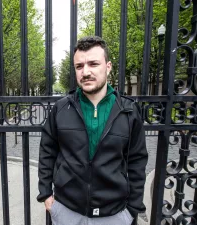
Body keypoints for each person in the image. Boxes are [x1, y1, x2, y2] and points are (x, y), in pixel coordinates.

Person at [37, 36, 148, 225]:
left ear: (108, 66)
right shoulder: (61, 109)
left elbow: (137, 160)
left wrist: (132, 208)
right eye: (79, 66)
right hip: (66, 211)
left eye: (93, 64)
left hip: (114, 214)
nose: (85, 72)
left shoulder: (128, 111)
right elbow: (47, 152)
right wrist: (46, 194)